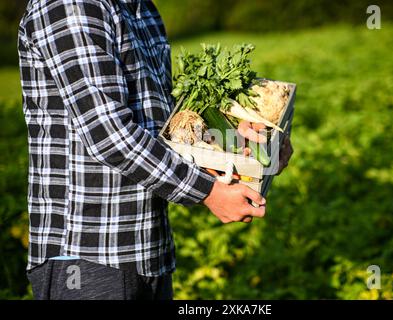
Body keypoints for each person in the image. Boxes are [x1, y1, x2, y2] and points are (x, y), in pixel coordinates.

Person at [18, 0, 292, 300]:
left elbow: (162, 127)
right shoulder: (72, 6)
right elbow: (110, 135)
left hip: (148, 250)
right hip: (88, 254)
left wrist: (237, 145)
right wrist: (208, 192)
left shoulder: (141, 8)